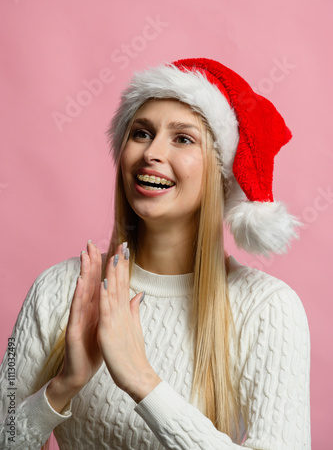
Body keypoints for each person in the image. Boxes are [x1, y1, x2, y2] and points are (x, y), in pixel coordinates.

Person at [0, 58, 310, 449]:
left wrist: (143, 381)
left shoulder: (269, 308)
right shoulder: (58, 288)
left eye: (183, 139)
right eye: (142, 133)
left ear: (221, 173)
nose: (151, 153)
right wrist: (63, 386)